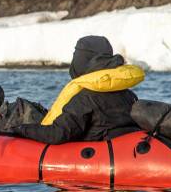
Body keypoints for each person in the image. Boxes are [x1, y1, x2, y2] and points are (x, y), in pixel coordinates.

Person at [8, 35, 143, 144]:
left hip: (95, 159)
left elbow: (58, 134)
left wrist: (20, 129)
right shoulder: (128, 94)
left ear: (84, 60)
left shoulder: (85, 98)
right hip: (122, 152)